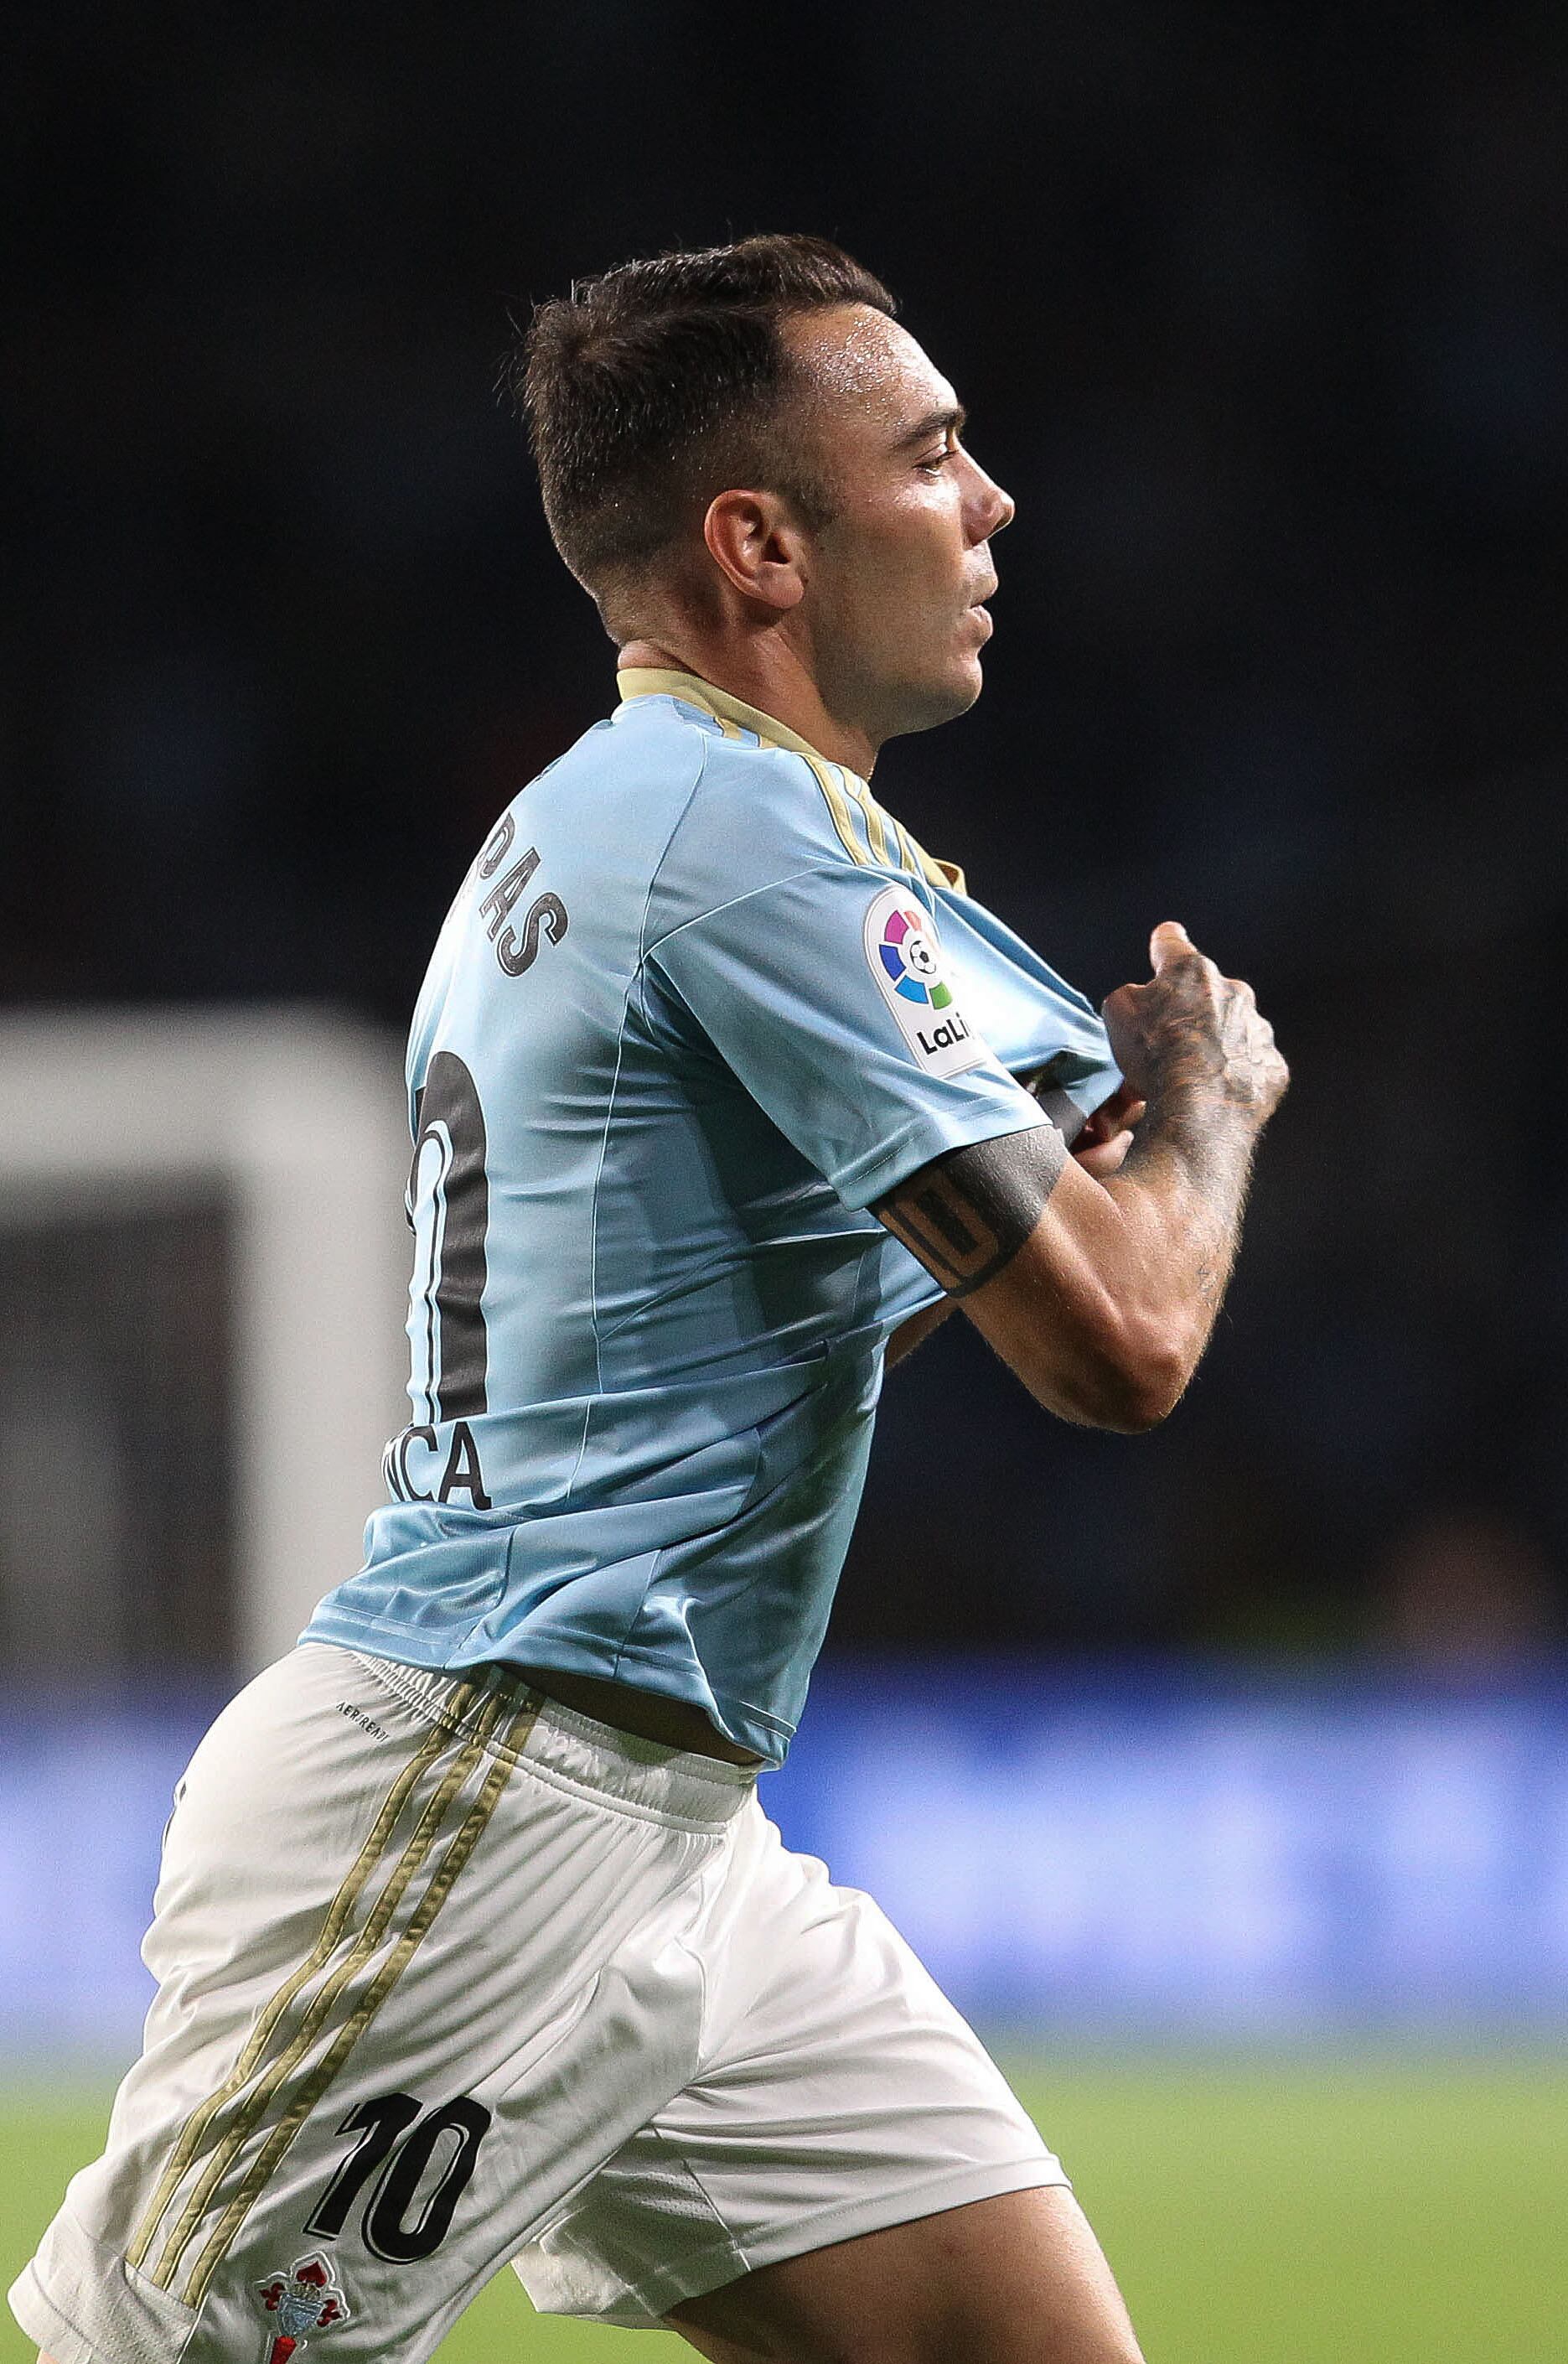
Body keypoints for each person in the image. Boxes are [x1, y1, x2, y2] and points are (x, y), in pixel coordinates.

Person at [14, 235, 1286, 2364]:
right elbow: (1123, 1346)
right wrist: (1215, 1103)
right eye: (935, 453)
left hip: (677, 1828)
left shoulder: (608, 822)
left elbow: (727, 1311)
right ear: (757, 541)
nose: (989, 506)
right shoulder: (744, 843)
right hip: (486, 1785)